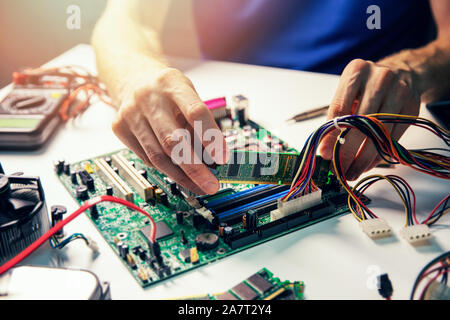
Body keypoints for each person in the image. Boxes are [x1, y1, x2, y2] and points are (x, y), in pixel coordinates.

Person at [92, 0, 450, 195]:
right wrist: (136, 76)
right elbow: (126, 18)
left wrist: (411, 71)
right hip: (232, 105)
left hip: (364, 132)